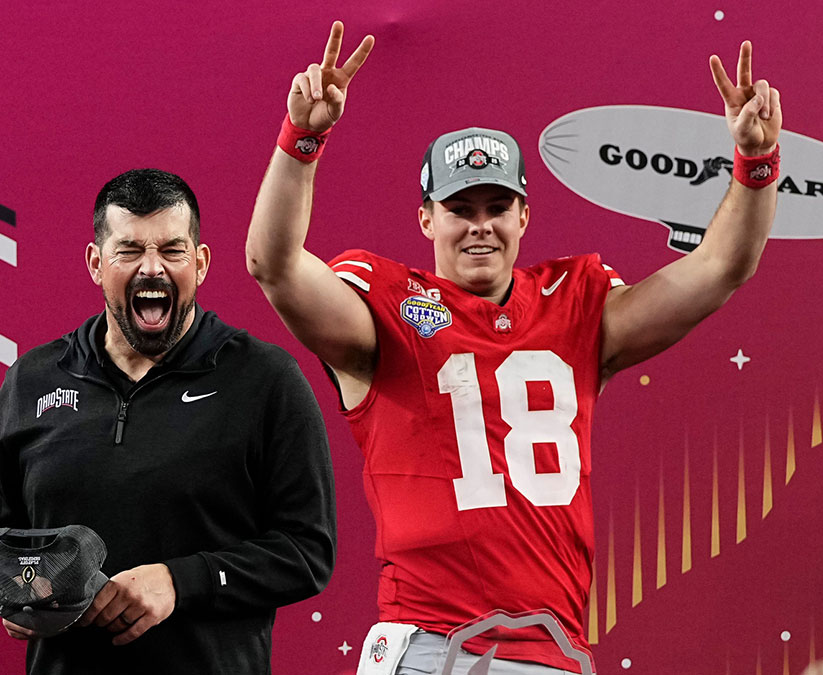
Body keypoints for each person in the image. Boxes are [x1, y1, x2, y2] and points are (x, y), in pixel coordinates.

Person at [246, 21, 781, 675]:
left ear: (524, 215)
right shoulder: (387, 304)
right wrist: (301, 140)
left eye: (497, 205)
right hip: (426, 643)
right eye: (459, 207)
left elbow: (720, 268)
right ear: (426, 218)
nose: (480, 225)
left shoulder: (575, 303)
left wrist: (756, 164)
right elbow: (273, 265)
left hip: (551, 649)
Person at [0, 168, 337, 674]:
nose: (152, 269)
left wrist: (180, 582)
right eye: (129, 250)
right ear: (96, 263)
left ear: (201, 263)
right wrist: (11, 583)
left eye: (171, 250)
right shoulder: (32, 379)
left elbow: (307, 551)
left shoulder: (265, 379)